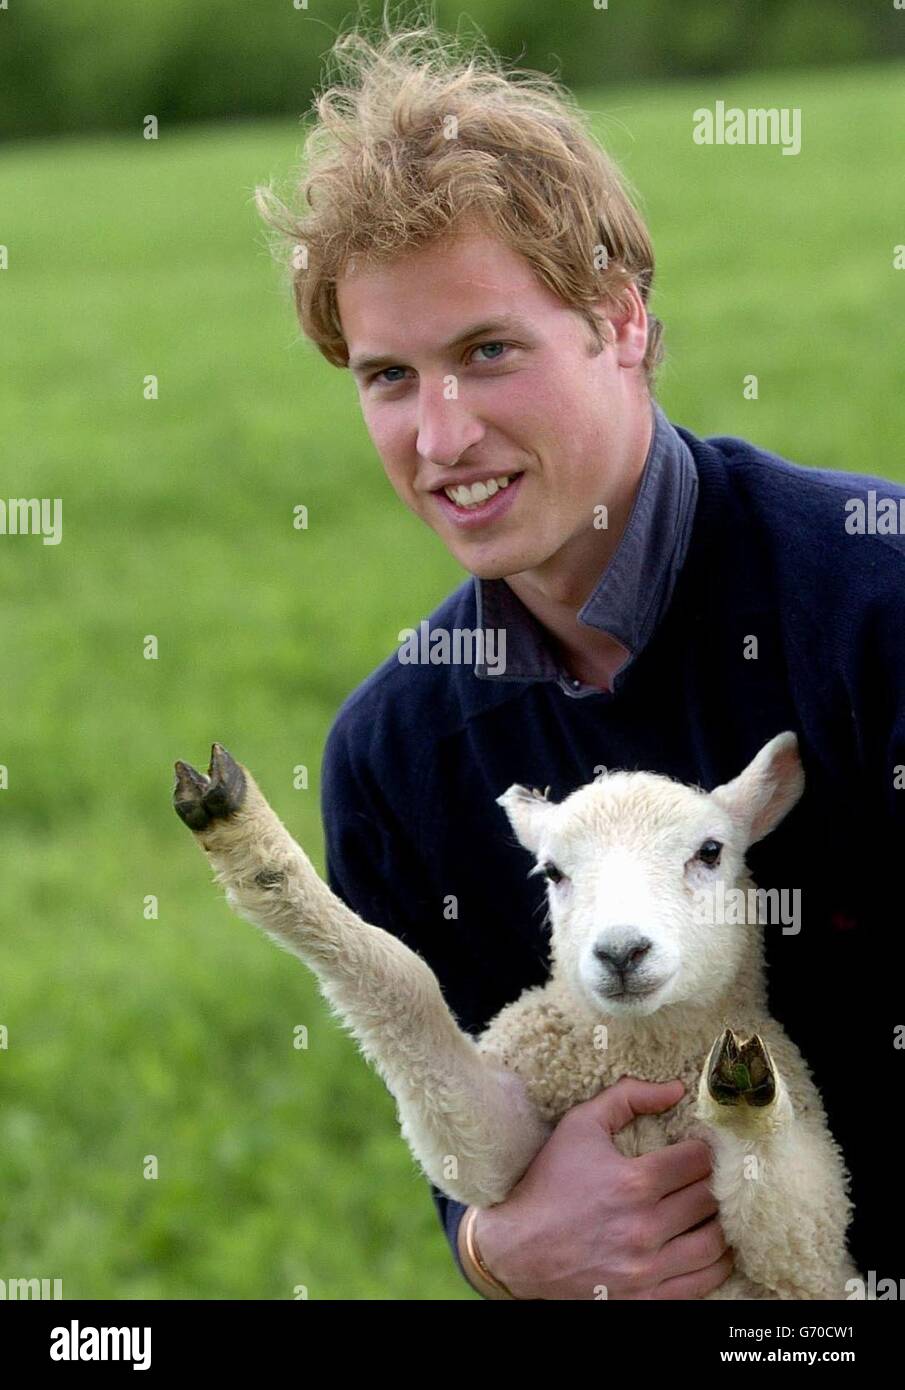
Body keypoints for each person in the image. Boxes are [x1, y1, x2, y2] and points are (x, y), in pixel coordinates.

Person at [256, 18, 905, 1299]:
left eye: (487, 351)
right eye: (389, 375)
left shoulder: (876, 608)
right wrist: (494, 1249)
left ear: (619, 319)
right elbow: (467, 1113)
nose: (441, 433)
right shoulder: (391, 760)